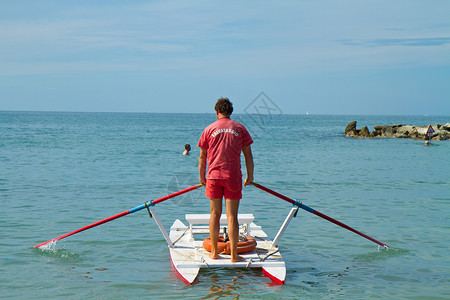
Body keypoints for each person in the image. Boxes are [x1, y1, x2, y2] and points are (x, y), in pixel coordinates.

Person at [198, 98, 254, 262]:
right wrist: (251, 176)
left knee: (214, 213)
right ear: (230, 112)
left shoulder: (209, 129)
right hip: (233, 177)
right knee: (232, 216)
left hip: (213, 177)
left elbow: (202, 156)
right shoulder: (240, 128)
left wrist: (202, 177)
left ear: (217, 112)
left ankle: (214, 252)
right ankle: (234, 256)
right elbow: (248, 154)